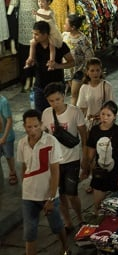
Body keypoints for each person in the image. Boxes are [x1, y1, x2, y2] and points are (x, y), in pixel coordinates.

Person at [18, 108, 68, 255]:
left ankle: (65, 248)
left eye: (35, 126)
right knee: (29, 231)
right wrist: (25, 186)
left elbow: (55, 171)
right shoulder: (22, 143)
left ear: (41, 124)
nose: (32, 130)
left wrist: (51, 197)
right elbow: (24, 167)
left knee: (56, 226)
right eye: (29, 127)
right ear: (24, 126)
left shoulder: (51, 141)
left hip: (48, 194)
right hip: (29, 195)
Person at [41, 82, 86, 229]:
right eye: (51, 101)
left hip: (72, 159)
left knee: (72, 194)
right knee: (60, 196)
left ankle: (80, 218)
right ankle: (68, 222)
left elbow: (84, 136)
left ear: (64, 96)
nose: (55, 103)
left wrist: (86, 159)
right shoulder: (46, 114)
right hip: (54, 162)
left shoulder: (75, 112)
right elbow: (44, 135)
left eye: (58, 99)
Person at [82, 100, 118, 206]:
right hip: (100, 172)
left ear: (114, 117)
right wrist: (87, 166)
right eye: (103, 114)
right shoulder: (95, 130)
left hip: (116, 171)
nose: (105, 117)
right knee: (97, 205)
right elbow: (91, 152)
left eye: (108, 115)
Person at [29, 21, 73, 116]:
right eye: (33, 34)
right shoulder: (34, 45)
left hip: (56, 86)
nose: (34, 36)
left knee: (58, 114)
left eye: (36, 34)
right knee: (40, 115)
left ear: (45, 34)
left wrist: (58, 66)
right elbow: (31, 60)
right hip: (39, 86)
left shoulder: (59, 45)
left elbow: (72, 62)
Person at [76, 57, 114, 131]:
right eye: (92, 71)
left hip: (103, 122)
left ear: (101, 71)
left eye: (98, 70)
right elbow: (82, 108)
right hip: (89, 123)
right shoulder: (84, 87)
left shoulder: (107, 86)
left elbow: (111, 106)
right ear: (87, 72)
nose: (95, 73)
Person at [62, 14, 92, 104]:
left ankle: (74, 113)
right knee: (75, 94)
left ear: (73, 27)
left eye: (65, 24)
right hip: (68, 69)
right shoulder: (64, 35)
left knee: (74, 94)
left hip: (79, 71)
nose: (63, 25)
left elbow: (90, 56)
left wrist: (86, 71)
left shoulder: (82, 40)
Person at [0, 91, 14, 186]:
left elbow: (9, 120)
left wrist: (4, 137)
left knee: (9, 156)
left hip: (6, 136)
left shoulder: (3, 102)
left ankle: (12, 172)